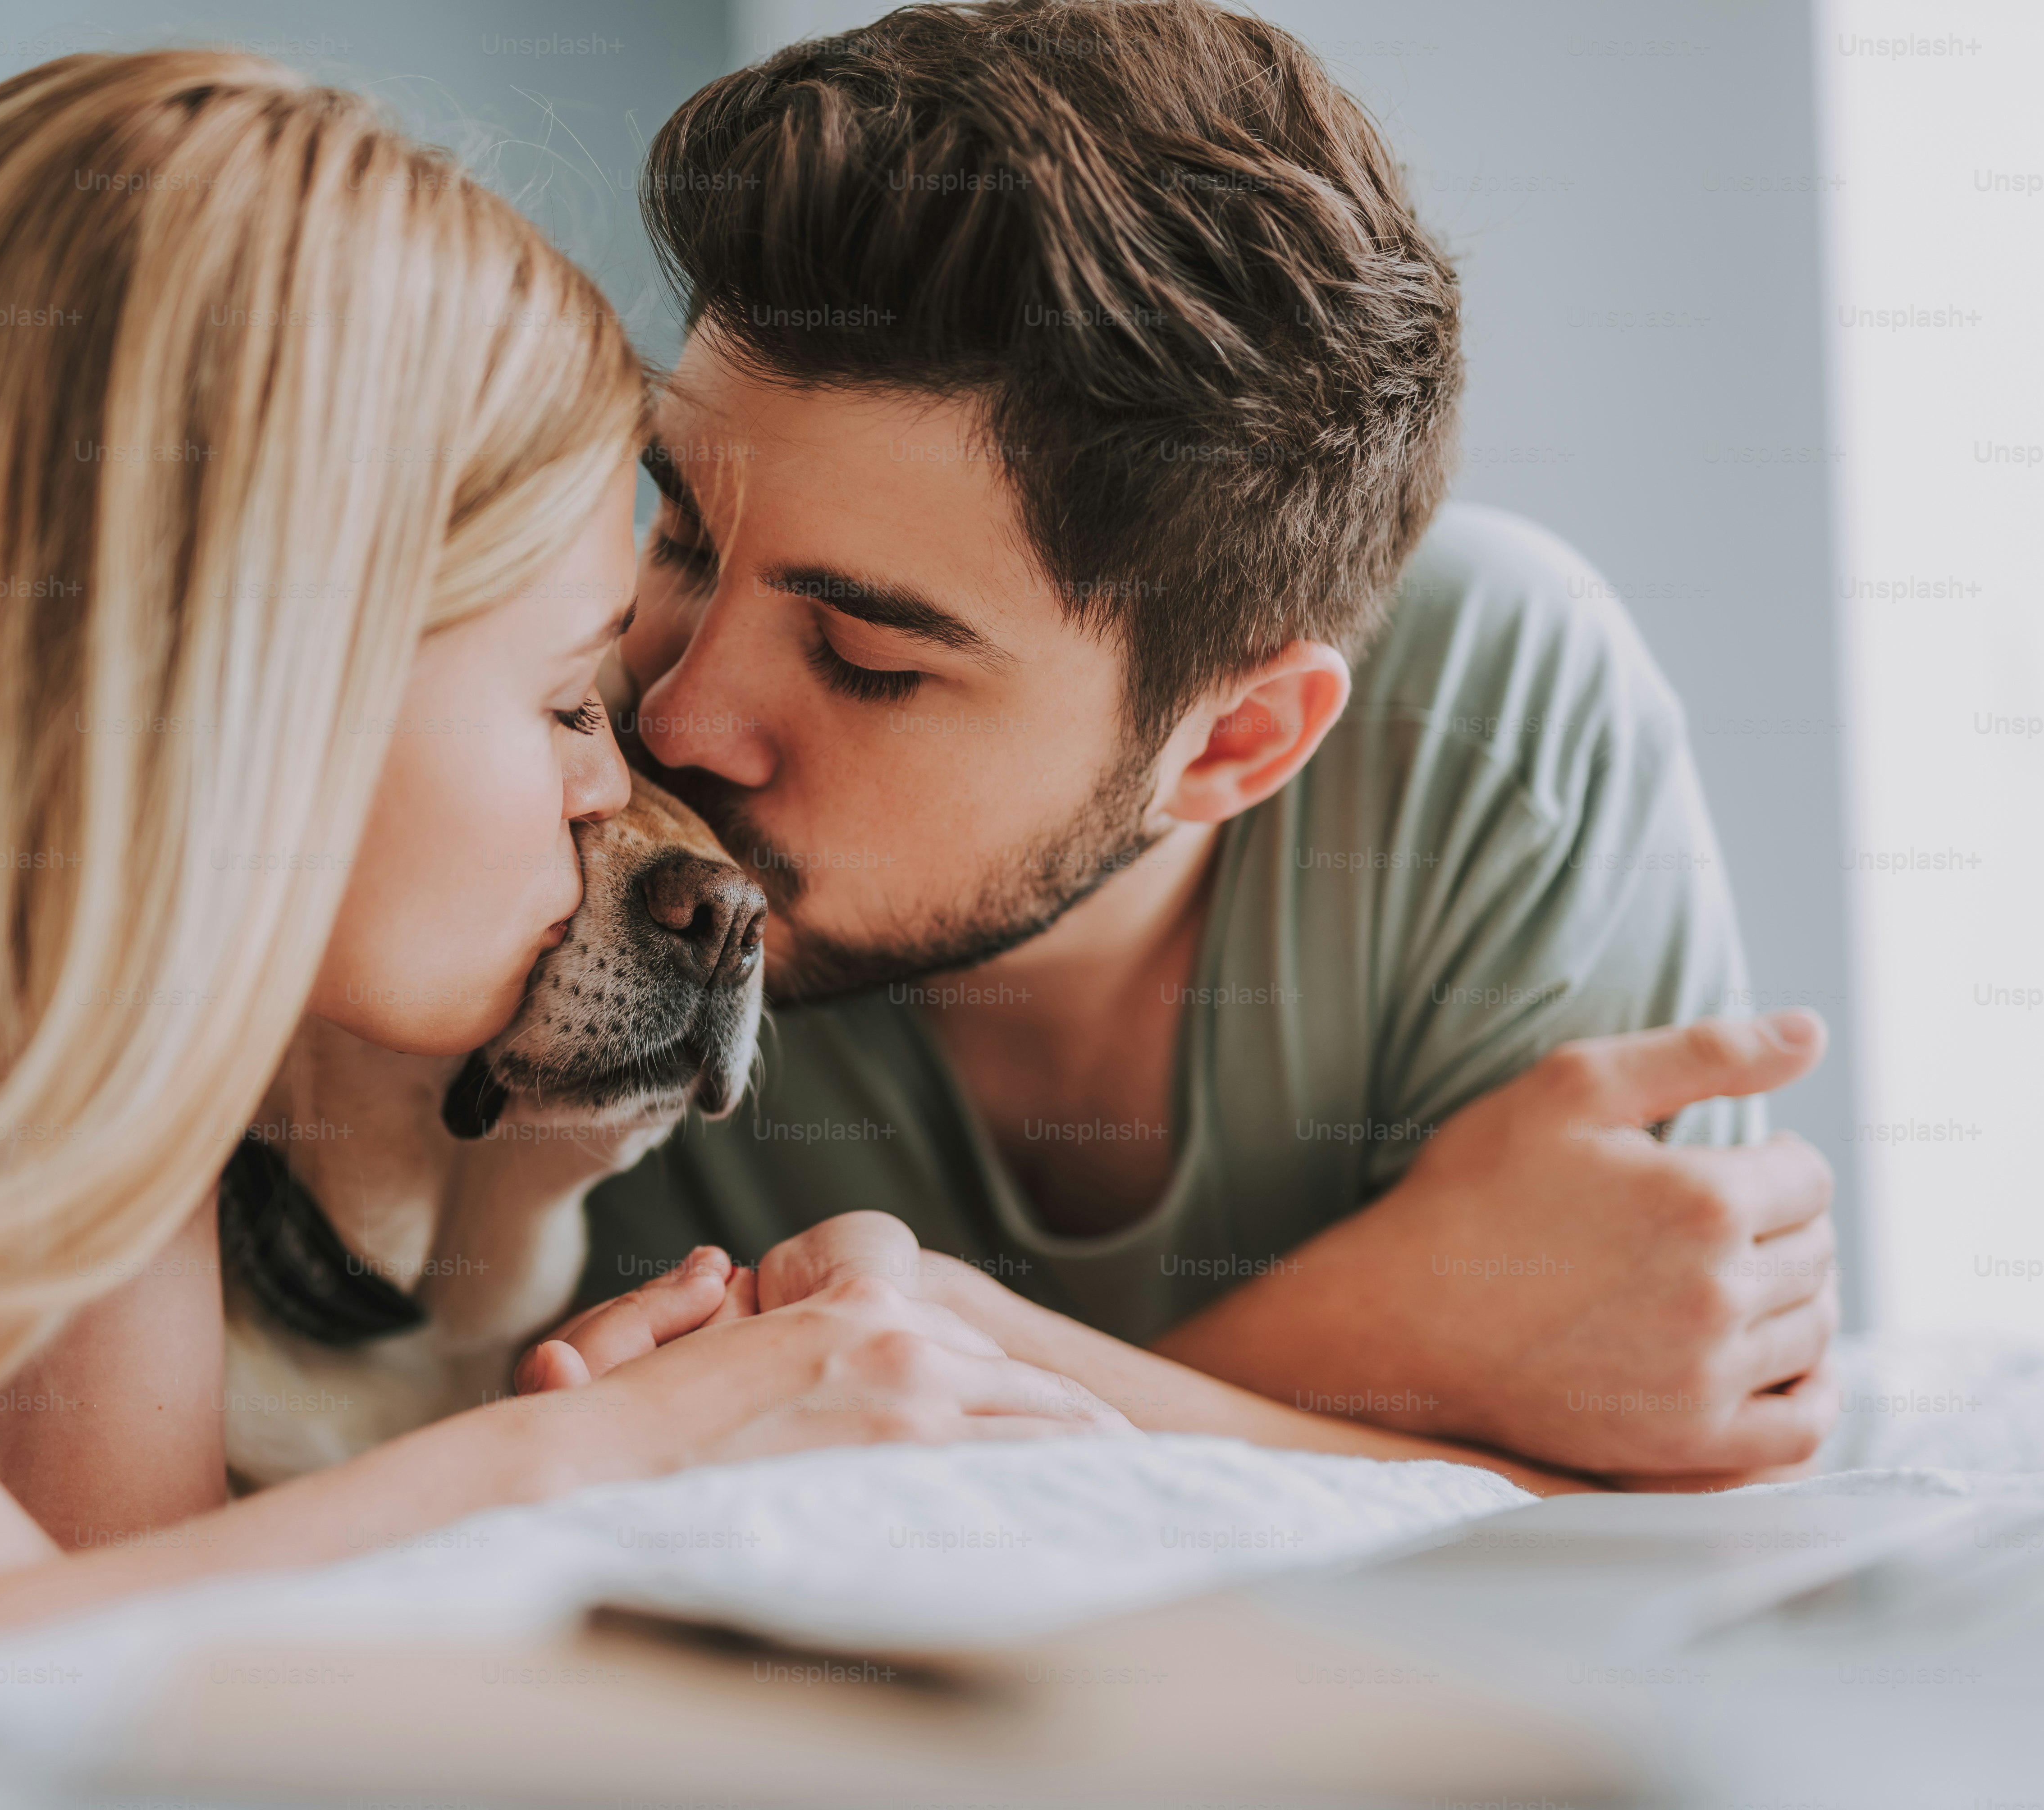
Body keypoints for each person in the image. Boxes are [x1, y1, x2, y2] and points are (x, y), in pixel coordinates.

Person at [0, 51, 1154, 1655]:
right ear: (259, 672)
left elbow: (70, 1624)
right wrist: (589, 1456)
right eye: (562, 700)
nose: (635, 781)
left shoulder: (86, 942)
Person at [573, 0, 1842, 1485]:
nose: (671, 716)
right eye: (683, 533)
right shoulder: (566, 723)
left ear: (1236, 740)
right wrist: (1395, 1333)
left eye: (864, 659)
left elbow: (1670, 1487)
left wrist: (959, 1368)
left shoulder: (1487, 711)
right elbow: (643, 1482)